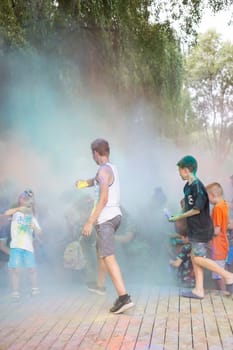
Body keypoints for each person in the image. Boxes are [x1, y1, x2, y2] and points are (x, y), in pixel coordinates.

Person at [75, 138, 134, 314]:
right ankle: (100, 286)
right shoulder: (110, 168)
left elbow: (104, 198)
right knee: (101, 252)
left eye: (91, 154)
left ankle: (124, 298)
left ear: (95, 153)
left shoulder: (102, 171)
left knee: (108, 256)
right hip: (114, 216)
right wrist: (84, 183)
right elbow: (96, 180)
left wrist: (89, 221)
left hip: (106, 218)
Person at [169, 155, 233, 299]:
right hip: (193, 228)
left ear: (186, 170)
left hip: (201, 229)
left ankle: (228, 275)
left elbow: (197, 209)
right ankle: (199, 290)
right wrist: (177, 215)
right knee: (194, 257)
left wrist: (179, 217)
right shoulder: (187, 187)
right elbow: (187, 206)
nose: (179, 173)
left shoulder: (198, 187)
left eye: (179, 170)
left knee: (198, 258)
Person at [6, 190, 42, 301]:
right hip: (16, 246)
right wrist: (18, 209)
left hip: (28, 247)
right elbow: (6, 213)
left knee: (32, 269)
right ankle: (15, 293)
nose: (24, 200)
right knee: (15, 269)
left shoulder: (32, 217)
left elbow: (39, 232)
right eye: (22, 198)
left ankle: (35, 289)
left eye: (26, 199)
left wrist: (34, 227)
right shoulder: (15, 213)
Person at [206, 182, 229, 293]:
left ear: (213, 195)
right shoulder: (224, 205)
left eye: (208, 196)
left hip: (218, 245)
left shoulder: (217, 208)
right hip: (223, 243)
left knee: (218, 272)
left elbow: (216, 230)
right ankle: (222, 291)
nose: (208, 200)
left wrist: (205, 232)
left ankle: (223, 292)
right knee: (219, 270)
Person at [169, 220, 195, 288]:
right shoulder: (194, 246)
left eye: (183, 237)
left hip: (185, 278)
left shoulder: (185, 248)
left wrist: (170, 262)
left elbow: (177, 264)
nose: (182, 239)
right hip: (194, 278)